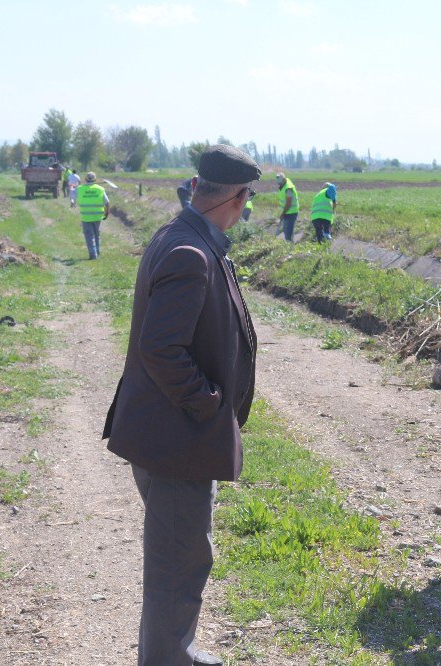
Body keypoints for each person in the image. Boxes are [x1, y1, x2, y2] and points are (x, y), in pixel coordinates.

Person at [102, 144, 260, 666]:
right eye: (247, 200)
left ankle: (176, 650)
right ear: (235, 197)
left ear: (198, 189)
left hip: (171, 440)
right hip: (175, 443)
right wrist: (208, 403)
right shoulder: (190, 252)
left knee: (184, 558)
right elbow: (160, 348)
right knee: (177, 568)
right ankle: (167, 658)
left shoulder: (184, 236)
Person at [76, 172, 109, 260]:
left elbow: (76, 198)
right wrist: (106, 213)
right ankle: (97, 251)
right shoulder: (100, 189)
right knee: (96, 234)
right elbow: (107, 202)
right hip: (98, 216)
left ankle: (93, 254)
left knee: (89, 235)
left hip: (86, 217)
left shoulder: (80, 189)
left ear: (85, 179)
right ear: (95, 180)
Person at [276, 172, 299, 242]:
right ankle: (289, 245)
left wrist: (283, 213)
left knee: (288, 232)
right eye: (277, 178)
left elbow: (289, 202)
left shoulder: (288, 189)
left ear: (283, 179)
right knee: (286, 230)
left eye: (279, 179)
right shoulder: (284, 184)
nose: (277, 181)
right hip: (287, 212)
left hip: (291, 212)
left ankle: (290, 246)